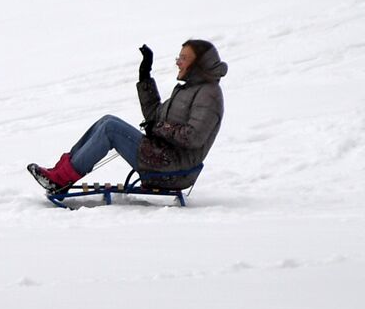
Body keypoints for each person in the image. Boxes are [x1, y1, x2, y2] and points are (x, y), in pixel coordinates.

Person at [28, 40, 227, 195]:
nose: (177, 62)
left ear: (198, 64)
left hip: (174, 170)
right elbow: (154, 118)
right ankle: (60, 173)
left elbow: (193, 137)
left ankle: (61, 179)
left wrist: (159, 129)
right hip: (163, 158)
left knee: (110, 129)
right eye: (179, 56)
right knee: (107, 121)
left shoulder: (209, 94)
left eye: (183, 58)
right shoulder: (189, 90)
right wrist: (145, 77)